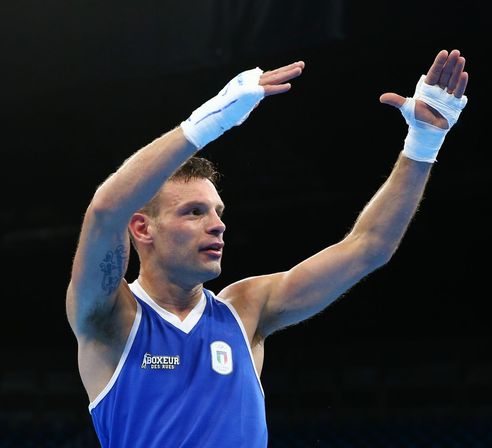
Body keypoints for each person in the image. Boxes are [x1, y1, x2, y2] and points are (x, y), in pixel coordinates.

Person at [65, 48, 469, 448]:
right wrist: (208, 123)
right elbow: (105, 212)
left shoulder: (246, 310)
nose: (218, 224)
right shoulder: (111, 317)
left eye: (217, 211)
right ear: (142, 228)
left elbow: (368, 248)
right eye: (193, 212)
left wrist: (423, 143)